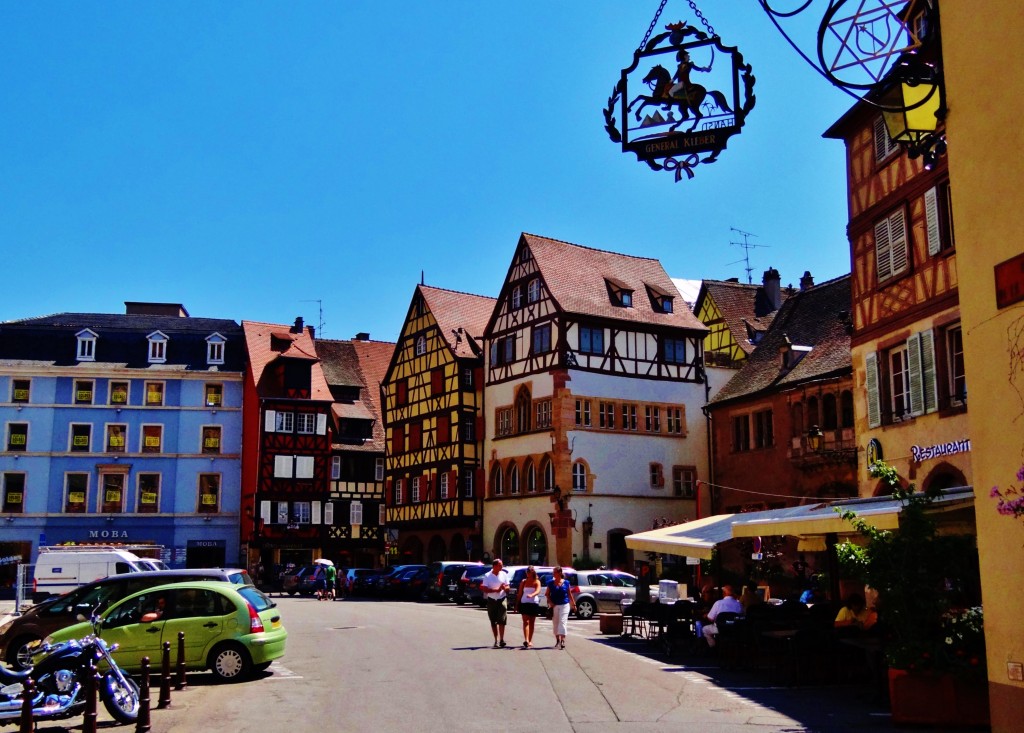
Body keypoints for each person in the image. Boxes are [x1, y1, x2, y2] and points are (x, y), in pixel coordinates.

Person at [480, 558, 511, 648]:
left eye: (502, 565)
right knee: (493, 621)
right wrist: (496, 590)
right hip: (491, 600)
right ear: (494, 566)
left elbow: (507, 586)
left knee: (502, 619)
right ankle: (496, 640)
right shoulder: (487, 576)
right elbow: (485, 589)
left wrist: (506, 588)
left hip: (502, 599)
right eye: (500, 565)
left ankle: (502, 639)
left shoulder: (504, 574)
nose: (501, 566)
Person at [545, 566, 576, 649]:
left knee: (562, 621)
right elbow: (547, 594)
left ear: (559, 573)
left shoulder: (566, 583)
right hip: (555, 605)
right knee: (556, 623)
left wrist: (574, 604)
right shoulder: (551, 583)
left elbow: (569, 594)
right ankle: (557, 640)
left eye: (554, 572)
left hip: (564, 604)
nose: (553, 574)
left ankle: (562, 640)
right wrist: (551, 603)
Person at [516, 566, 542, 648]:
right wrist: (517, 604)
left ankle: (530, 640)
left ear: (533, 572)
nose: (527, 573)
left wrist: (532, 594)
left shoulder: (536, 581)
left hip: (533, 603)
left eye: (529, 572)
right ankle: (526, 640)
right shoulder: (523, 582)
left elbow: (538, 590)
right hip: (524, 603)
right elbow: (520, 593)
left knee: (532, 622)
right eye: (527, 572)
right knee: (525, 622)